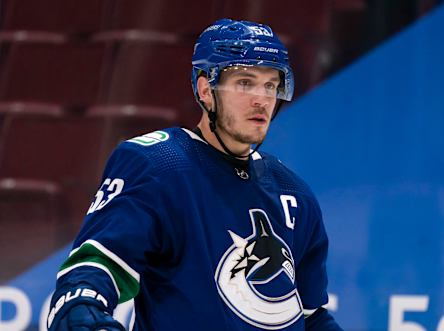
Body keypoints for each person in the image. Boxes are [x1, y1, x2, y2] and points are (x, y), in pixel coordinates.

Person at [47, 18, 344, 331]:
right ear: (206, 89)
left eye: (271, 85)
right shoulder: (158, 165)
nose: (262, 98)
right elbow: (91, 276)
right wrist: (83, 317)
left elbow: (310, 318)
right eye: (245, 82)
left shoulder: (294, 194)